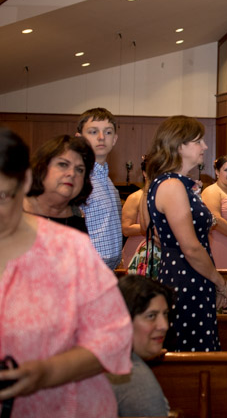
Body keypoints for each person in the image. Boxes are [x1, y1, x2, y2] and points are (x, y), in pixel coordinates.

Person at [0, 127, 132, 417]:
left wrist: (46, 372)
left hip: (66, 403)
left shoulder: (70, 246)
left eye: (3, 196)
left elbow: (113, 336)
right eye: (63, 164)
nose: (71, 174)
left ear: (22, 182)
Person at [145, 115, 227, 352]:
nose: (204, 146)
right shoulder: (172, 186)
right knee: (193, 350)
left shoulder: (171, 182)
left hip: (187, 273)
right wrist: (221, 283)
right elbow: (191, 247)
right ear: (179, 145)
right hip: (186, 279)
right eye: (198, 141)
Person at [108, 275, 173, 417]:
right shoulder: (134, 376)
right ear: (124, 320)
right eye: (151, 316)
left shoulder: (103, 360)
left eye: (165, 314)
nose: (164, 326)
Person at [76, 108, 124, 270]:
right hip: (85, 269)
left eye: (108, 132)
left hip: (108, 271)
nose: (101, 137)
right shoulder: (76, 178)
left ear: (115, 139)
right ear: (79, 138)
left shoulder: (108, 182)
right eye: (93, 132)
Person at [23, 135, 95, 235]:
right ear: (41, 168)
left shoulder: (78, 218)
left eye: (79, 170)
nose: (72, 173)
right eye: (63, 164)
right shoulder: (12, 210)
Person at [120, 159, 150, 268]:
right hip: (136, 252)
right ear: (144, 173)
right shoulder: (135, 197)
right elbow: (126, 229)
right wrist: (152, 227)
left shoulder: (165, 198)